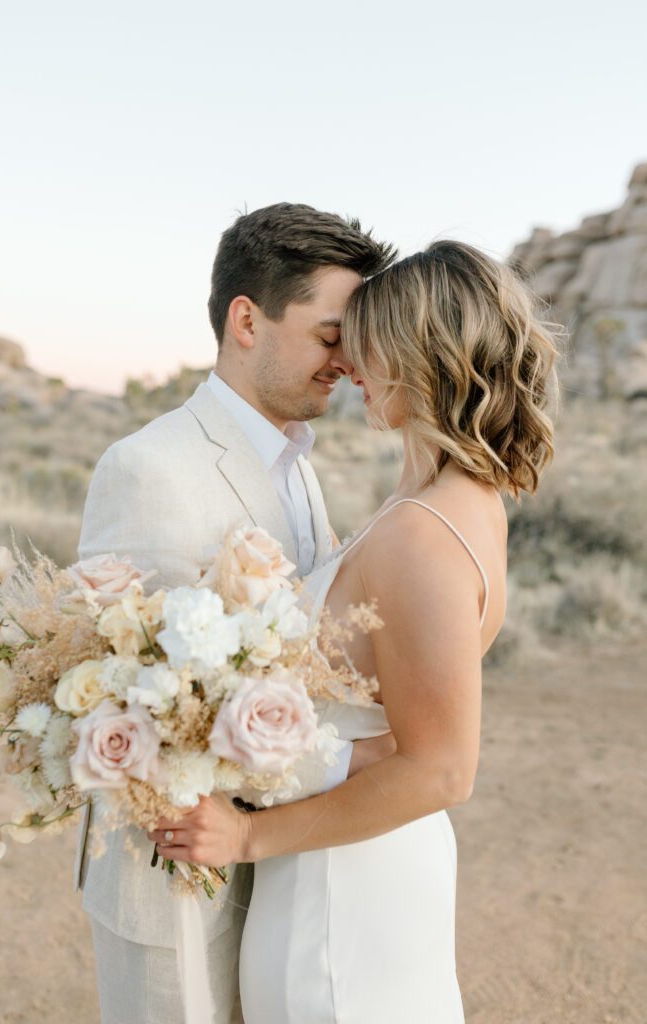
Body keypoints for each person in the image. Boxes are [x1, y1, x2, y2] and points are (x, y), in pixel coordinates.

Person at [148, 240, 559, 1022]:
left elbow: (441, 770)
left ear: (418, 353)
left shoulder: (421, 532)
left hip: (342, 895)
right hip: (351, 864)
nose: (347, 367)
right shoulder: (452, 497)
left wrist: (243, 840)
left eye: (360, 344)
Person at [75, 202, 396, 1024]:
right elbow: (136, 706)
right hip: (182, 880)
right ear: (246, 319)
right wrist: (375, 768)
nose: (347, 361)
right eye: (330, 335)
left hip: (286, 862)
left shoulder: (299, 461)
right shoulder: (149, 466)